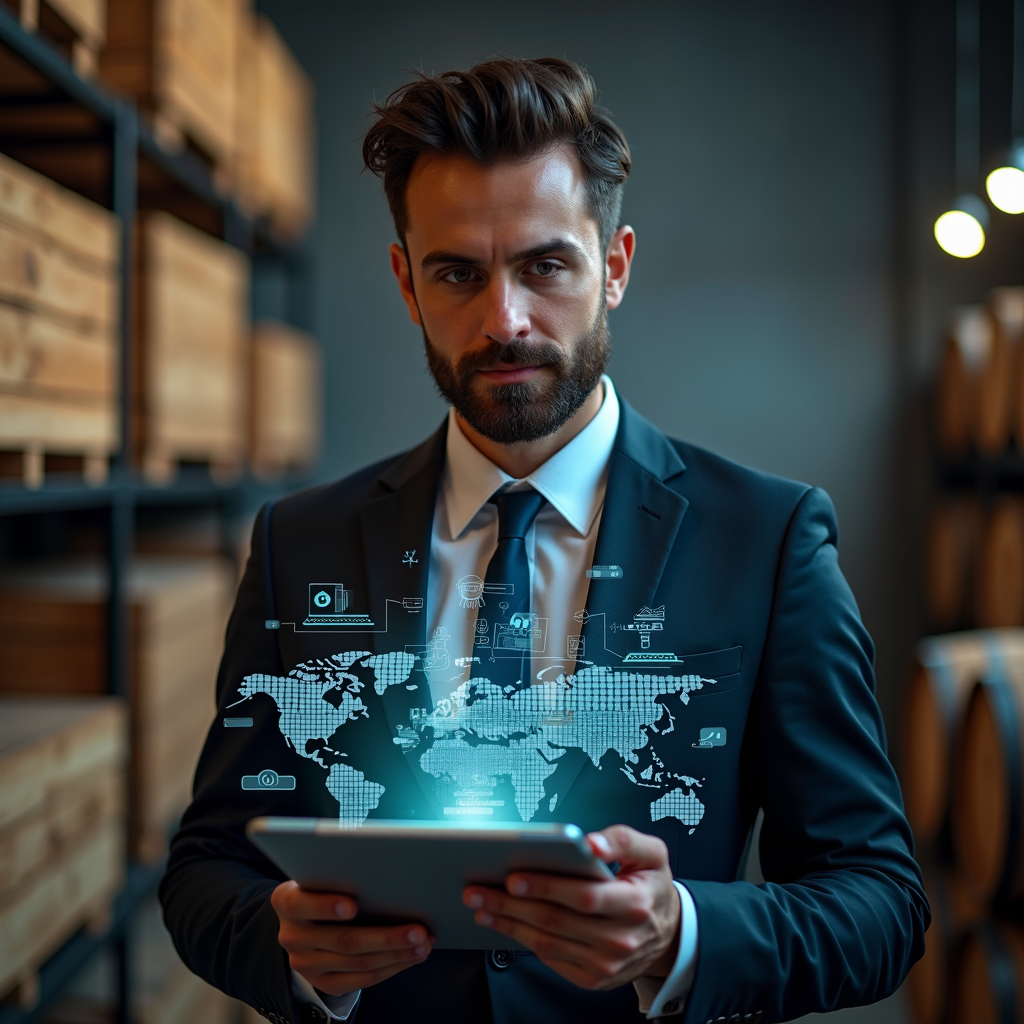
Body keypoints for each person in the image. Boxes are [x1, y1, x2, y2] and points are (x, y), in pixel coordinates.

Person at [160, 56, 928, 1024]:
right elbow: (206, 867)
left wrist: (681, 931)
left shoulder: (766, 537)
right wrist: (287, 942)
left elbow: (880, 903)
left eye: (545, 265)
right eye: (457, 273)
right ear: (406, 281)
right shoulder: (297, 541)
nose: (504, 320)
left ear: (613, 267)